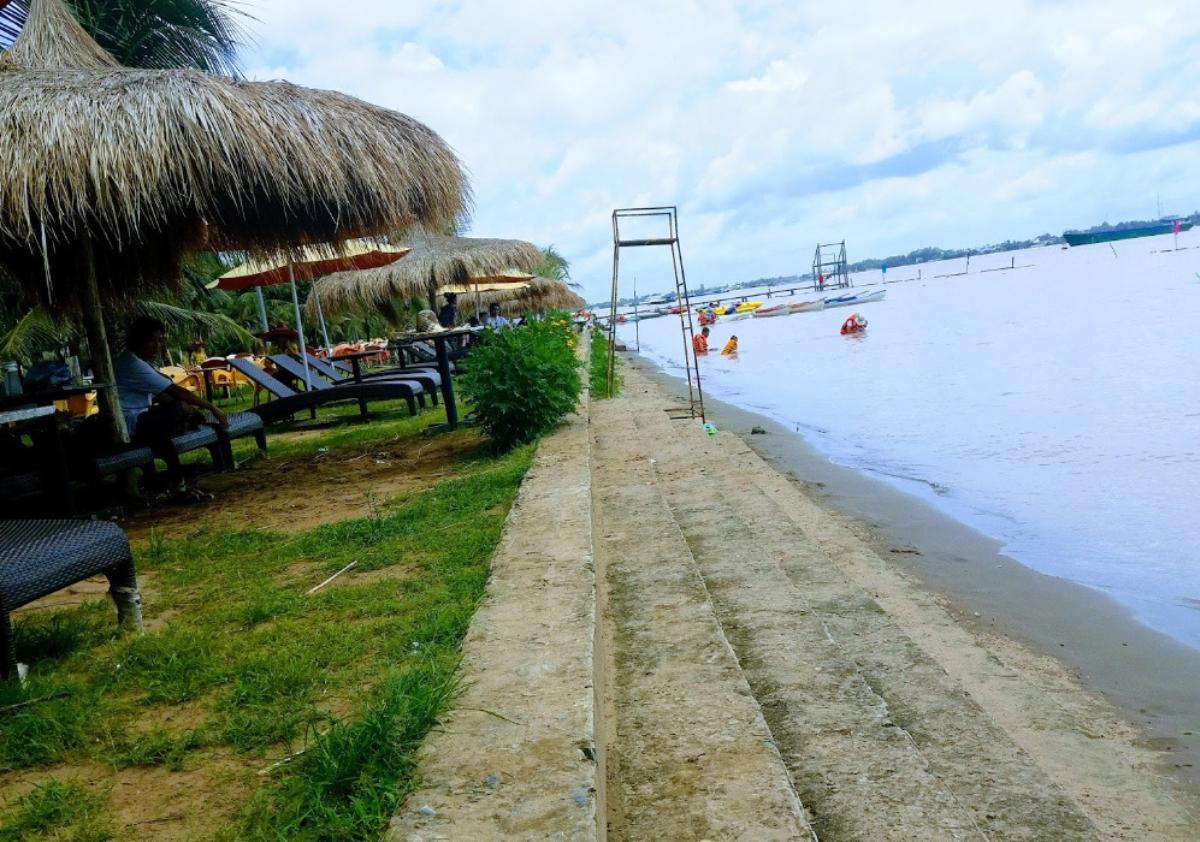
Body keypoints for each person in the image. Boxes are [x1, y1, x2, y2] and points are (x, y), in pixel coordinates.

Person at [115, 316, 228, 501]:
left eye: (160, 340)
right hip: (130, 423)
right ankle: (177, 484)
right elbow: (176, 391)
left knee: (173, 422)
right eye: (153, 340)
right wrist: (212, 408)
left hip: (141, 419)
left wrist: (186, 408)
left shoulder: (136, 361)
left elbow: (164, 392)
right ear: (138, 339)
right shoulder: (132, 364)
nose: (157, 345)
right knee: (177, 412)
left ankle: (176, 484)